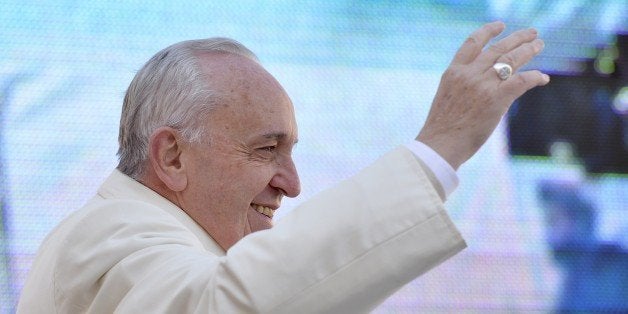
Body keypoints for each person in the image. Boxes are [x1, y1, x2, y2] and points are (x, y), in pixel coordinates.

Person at [18, 21, 549, 313]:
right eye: (266, 149)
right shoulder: (111, 233)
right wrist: (440, 149)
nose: (291, 185)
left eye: (291, 152)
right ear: (172, 157)